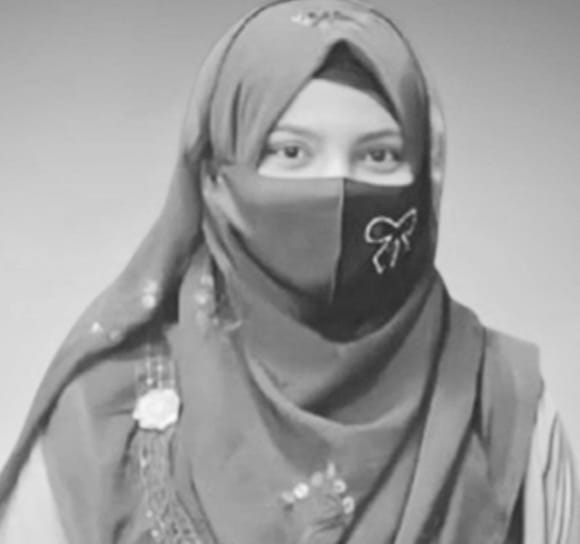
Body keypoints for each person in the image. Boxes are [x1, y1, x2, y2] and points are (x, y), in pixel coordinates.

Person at [0, 0, 578, 542]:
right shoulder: (102, 418)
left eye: (379, 155)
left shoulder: (500, 403)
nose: (337, 189)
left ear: (425, 176)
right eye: (291, 152)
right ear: (216, 177)